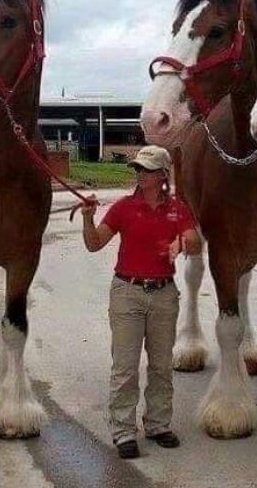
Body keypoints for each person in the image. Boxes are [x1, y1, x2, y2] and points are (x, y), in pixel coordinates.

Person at [77, 145, 202, 459]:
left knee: (161, 366)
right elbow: (94, 244)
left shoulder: (177, 208)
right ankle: (123, 431)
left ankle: (158, 424)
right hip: (127, 293)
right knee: (125, 368)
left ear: (162, 175)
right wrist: (88, 220)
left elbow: (196, 244)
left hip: (163, 294)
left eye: (147, 169)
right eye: (138, 168)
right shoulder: (122, 208)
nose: (140, 174)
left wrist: (183, 240)